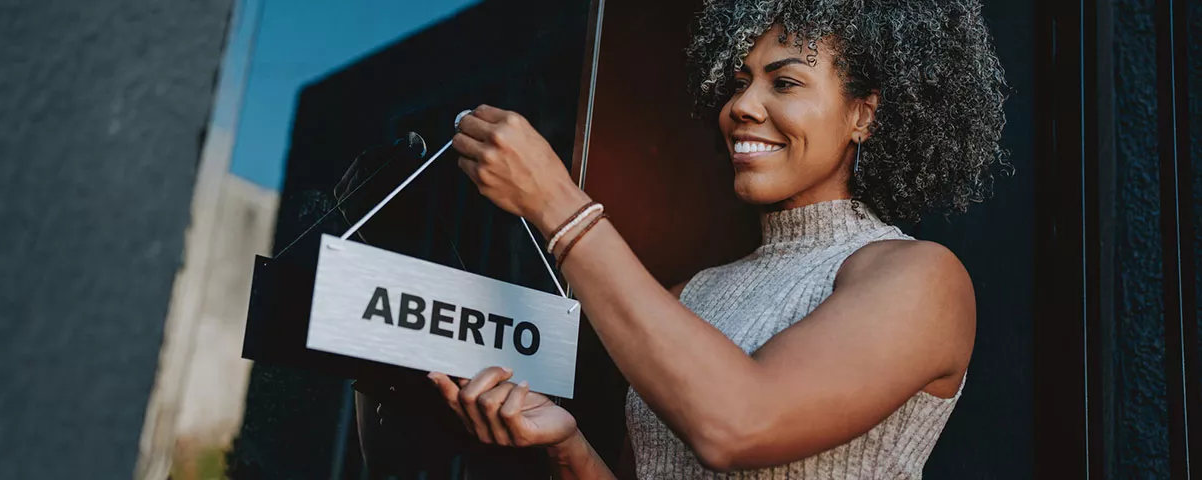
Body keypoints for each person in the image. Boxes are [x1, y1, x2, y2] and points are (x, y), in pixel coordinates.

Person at [429, 0, 1008, 477]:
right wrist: (569, 450)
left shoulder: (919, 277)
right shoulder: (690, 295)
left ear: (864, 114)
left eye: (784, 81)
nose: (741, 107)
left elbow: (737, 424)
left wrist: (558, 203)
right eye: (739, 82)